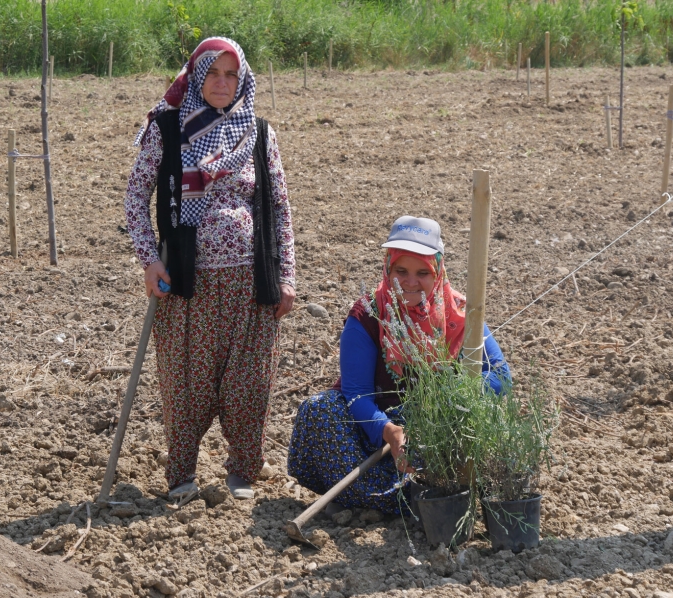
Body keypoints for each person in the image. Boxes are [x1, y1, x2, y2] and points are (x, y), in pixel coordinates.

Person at [124, 37, 295, 503]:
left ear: (242, 80)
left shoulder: (258, 132)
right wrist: (149, 259)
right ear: (197, 77)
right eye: (213, 73)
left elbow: (279, 208)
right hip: (186, 283)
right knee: (185, 384)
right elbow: (136, 198)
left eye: (231, 75)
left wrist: (288, 277)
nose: (222, 83)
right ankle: (181, 476)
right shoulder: (166, 129)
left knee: (248, 381)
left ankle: (242, 470)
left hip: (250, 279)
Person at [287, 216, 510, 514]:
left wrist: (452, 398)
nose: (410, 281)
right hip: (373, 434)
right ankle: (408, 499)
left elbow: (500, 377)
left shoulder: (460, 314)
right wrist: (389, 431)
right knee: (319, 411)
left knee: (481, 419)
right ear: (387, 268)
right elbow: (356, 393)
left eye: (423, 272)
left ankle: (426, 493)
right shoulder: (367, 314)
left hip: (437, 432)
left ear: (438, 272)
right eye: (400, 271)